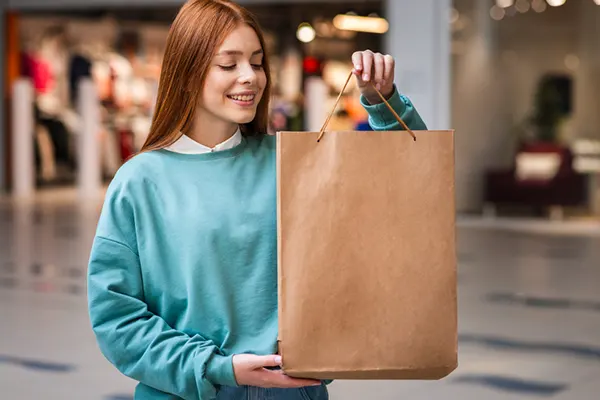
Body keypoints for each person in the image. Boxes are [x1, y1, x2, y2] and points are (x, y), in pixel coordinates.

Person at [86, 1, 427, 400]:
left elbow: (411, 183)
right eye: (228, 65)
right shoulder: (140, 182)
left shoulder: (290, 162)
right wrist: (216, 368)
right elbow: (117, 319)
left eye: (257, 62)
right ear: (187, 72)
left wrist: (383, 101)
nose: (249, 77)